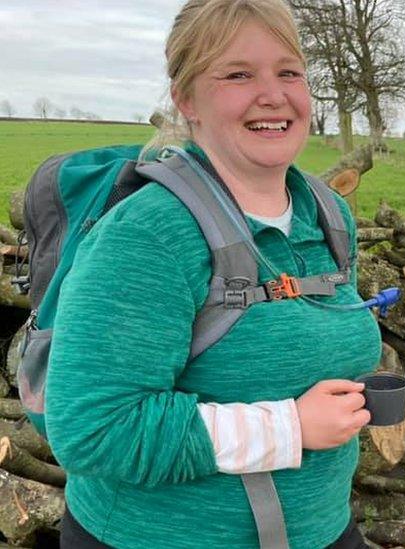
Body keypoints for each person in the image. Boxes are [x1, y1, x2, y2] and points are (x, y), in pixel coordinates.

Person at [44, 1, 381, 547]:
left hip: (323, 531)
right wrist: (290, 426)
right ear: (186, 99)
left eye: (288, 71)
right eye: (238, 74)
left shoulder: (326, 212)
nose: (273, 94)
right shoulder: (148, 235)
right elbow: (93, 429)